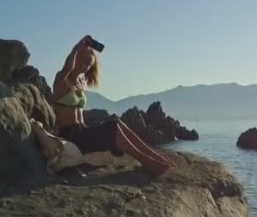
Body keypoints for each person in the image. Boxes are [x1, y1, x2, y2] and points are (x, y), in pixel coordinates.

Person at [51, 35, 170, 175]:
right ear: (75, 58)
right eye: (82, 60)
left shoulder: (81, 83)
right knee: (112, 127)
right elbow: (66, 68)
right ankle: (148, 162)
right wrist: (75, 48)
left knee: (116, 122)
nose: (85, 66)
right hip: (71, 134)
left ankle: (155, 156)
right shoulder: (62, 80)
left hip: (82, 131)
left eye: (88, 63)